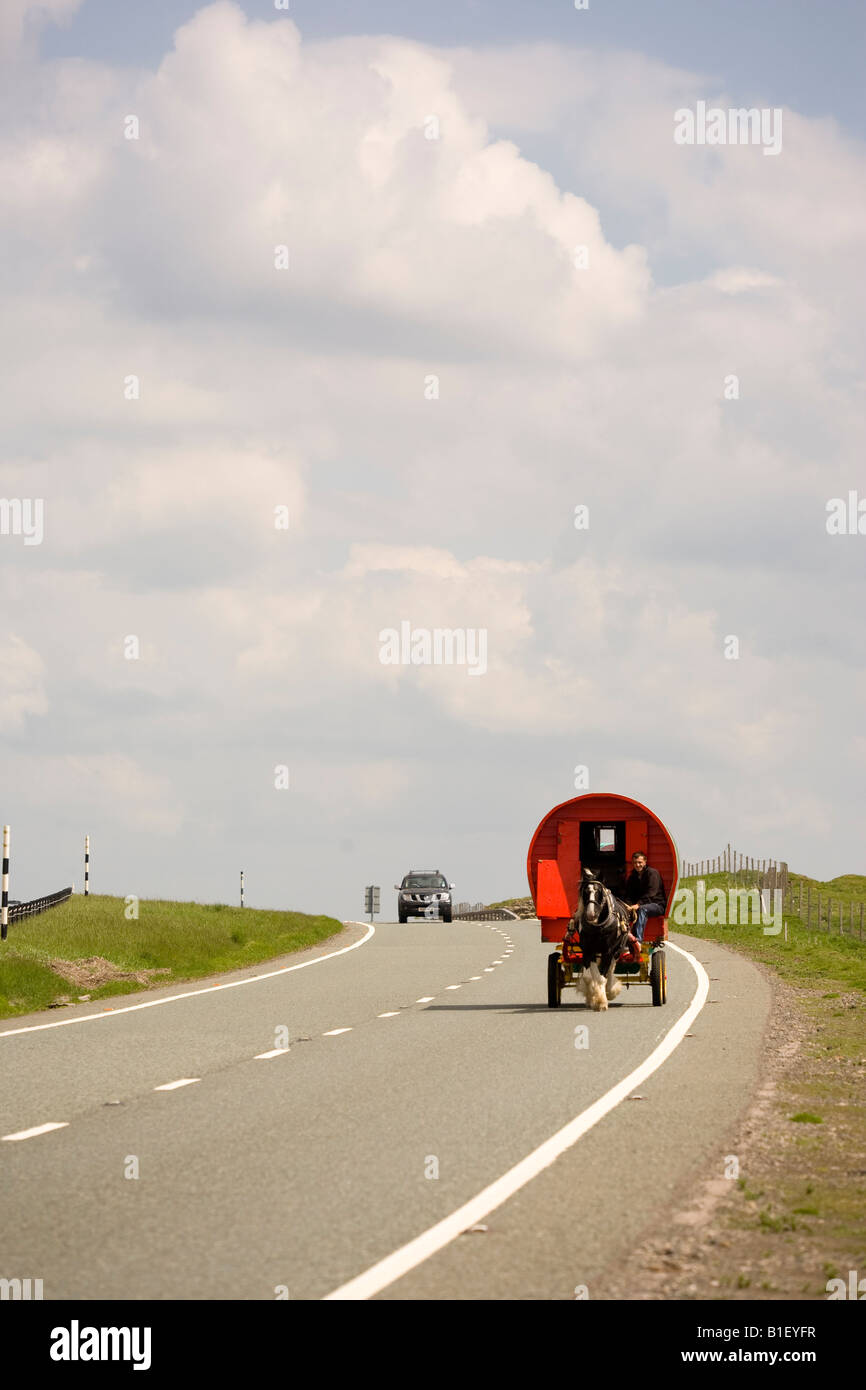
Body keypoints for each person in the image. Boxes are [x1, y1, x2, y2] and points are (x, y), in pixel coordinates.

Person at [622, 851, 666, 951]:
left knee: (642, 909)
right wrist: (628, 906)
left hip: (657, 905)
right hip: (640, 905)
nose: (637, 865)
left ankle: (638, 941)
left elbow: (652, 893)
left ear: (645, 862)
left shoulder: (652, 873)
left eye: (640, 862)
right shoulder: (632, 877)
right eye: (635, 863)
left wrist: (638, 904)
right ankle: (624, 941)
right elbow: (629, 894)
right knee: (622, 911)